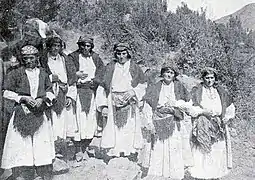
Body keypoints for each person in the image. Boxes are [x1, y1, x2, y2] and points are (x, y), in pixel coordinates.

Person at [1, 45, 55, 180]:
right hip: (21, 112)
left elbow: (49, 90)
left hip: (39, 112)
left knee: (39, 142)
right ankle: (21, 173)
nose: (29, 61)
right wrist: (22, 98)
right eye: (26, 59)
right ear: (22, 59)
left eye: (32, 58)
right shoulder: (15, 72)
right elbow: (6, 92)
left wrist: (42, 99)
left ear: (37, 58)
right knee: (21, 143)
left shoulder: (43, 73)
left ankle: (38, 171)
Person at [96, 42, 146, 160]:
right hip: (112, 100)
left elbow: (143, 84)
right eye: (118, 54)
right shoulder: (110, 67)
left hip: (130, 101)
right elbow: (102, 86)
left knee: (129, 127)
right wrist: (103, 106)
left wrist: (133, 92)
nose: (121, 56)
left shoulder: (134, 67)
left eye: (124, 53)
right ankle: (115, 153)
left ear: (128, 54)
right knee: (113, 127)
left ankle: (129, 153)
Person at [141, 63, 190, 179]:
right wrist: (149, 122)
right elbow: (148, 104)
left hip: (174, 120)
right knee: (158, 146)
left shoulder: (179, 86)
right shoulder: (155, 86)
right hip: (158, 119)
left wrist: (176, 104)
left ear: (174, 75)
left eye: (171, 73)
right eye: (167, 72)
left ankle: (174, 174)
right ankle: (157, 173)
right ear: (162, 73)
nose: (169, 75)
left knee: (174, 146)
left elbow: (188, 103)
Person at [188, 67, 235, 180]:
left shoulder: (220, 91)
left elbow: (230, 107)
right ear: (203, 78)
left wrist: (227, 118)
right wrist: (203, 111)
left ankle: (215, 175)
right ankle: (202, 175)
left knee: (217, 149)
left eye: (212, 78)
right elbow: (190, 108)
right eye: (207, 78)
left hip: (218, 124)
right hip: (202, 123)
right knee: (202, 149)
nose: (209, 80)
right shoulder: (197, 91)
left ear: (215, 78)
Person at [68, 36, 105, 161]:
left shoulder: (95, 58)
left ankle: (86, 147)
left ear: (91, 47)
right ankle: (77, 149)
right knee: (78, 119)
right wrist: (75, 75)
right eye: (83, 45)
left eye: (88, 46)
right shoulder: (72, 57)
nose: (85, 48)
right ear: (79, 46)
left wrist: (95, 81)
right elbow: (66, 72)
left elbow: (102, 72)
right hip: (77, 91)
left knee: (91, 119)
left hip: (91, 91)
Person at [40, 35, 77, 142]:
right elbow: (41, 76)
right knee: (52, 119)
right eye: (53, 46)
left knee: (65, 119)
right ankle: (54, 145)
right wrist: (51, 78)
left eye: (58, 46)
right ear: (49, 47)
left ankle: (63, 144)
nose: (56, 48)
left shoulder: (65, 59)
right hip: (51, 92)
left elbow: (72, 77)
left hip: (65, 91)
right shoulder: (43, 60)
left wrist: (70, 95)